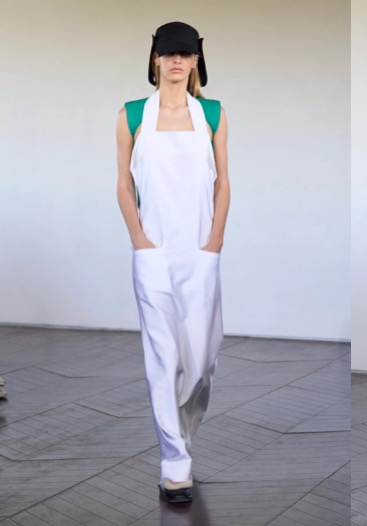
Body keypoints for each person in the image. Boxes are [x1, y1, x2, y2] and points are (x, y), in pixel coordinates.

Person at [115, 21, 230, 504]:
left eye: (185, 53)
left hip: (200, 251)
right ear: (155, 59)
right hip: (154, 254)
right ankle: (174, 466)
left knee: (201, 362)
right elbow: (124, 183)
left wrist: (214, 241)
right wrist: (139, 240)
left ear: (197, 59)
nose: (177, 60)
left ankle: (183, 437)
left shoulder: (213, 113)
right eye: (169, 53)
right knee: (162, 360)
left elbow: (223, 181)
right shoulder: (131, 114)